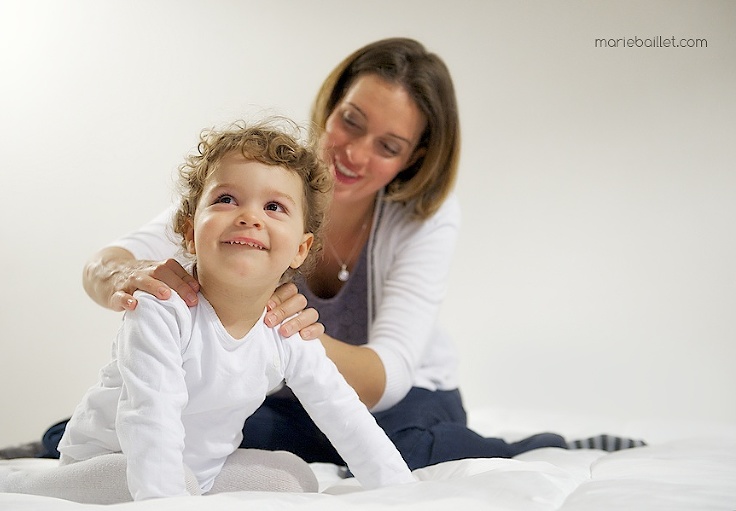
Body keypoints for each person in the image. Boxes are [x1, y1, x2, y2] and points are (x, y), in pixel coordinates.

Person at [42, 37, 644, 470]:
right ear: (330, 106)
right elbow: (110, 259)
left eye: (388, 145)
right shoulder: (265, 182)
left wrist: (281, 331)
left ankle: (542, 445)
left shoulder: (423, 218)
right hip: (283, 398)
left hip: (399, 399)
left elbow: (388, 377)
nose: (354, 153)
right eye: (350, 121)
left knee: (400, 449)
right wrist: (127, 276)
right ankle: (50, 443)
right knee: (172, 424)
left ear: (413, 159)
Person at [0, 121, 416, 503]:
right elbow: (151, 418)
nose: (249, 217)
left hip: (198, 473)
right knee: (171, 480)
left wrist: (400, 492)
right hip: (111, 460)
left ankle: (183, 492)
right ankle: (14, 481)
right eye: (226, 199)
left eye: (274, 207)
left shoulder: (283, 328)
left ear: (300, 249)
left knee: (294, 475)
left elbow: (344, 413)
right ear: (188, 230)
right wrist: (168, 502)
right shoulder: (164, 308)